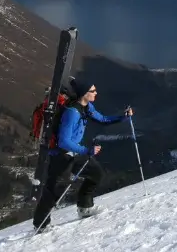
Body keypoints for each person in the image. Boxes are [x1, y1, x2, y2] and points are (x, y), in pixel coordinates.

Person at [32, 77, 133, 231]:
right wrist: (86, 151)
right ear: (84, 93)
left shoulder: (87, 107)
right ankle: (40, 225)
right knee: (53, 191)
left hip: (75, 152)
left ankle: (84, 207)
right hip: (61, 155)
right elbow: (64, 142)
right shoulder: (72, 113)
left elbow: (103, 120)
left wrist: (123, 117)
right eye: (93, 91)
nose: (96, 93)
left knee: (96, 174)